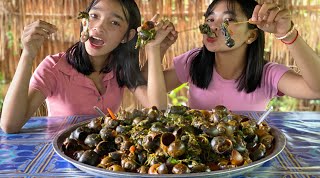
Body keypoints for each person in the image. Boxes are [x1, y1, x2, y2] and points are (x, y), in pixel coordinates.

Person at [0, 0, 174, 133]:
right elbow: (10, 125)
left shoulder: (119, 68)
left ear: (127, 36)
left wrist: (153, 48)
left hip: (101, 159)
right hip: (61, 157)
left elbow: (157, 110)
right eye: (94, 16)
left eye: (114, 22)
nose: (98, 27)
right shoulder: (54, 67)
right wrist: (28, 55)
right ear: (84, 22)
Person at [160, 0, 320, 111]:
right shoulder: (193, 61)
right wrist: (158, 49)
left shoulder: (268, 74)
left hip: (248, 158)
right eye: (210, 19)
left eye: (228, 19)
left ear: (250, 36)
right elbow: (148, 85)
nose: (214, 26)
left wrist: (288, 35)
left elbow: (316, 90)